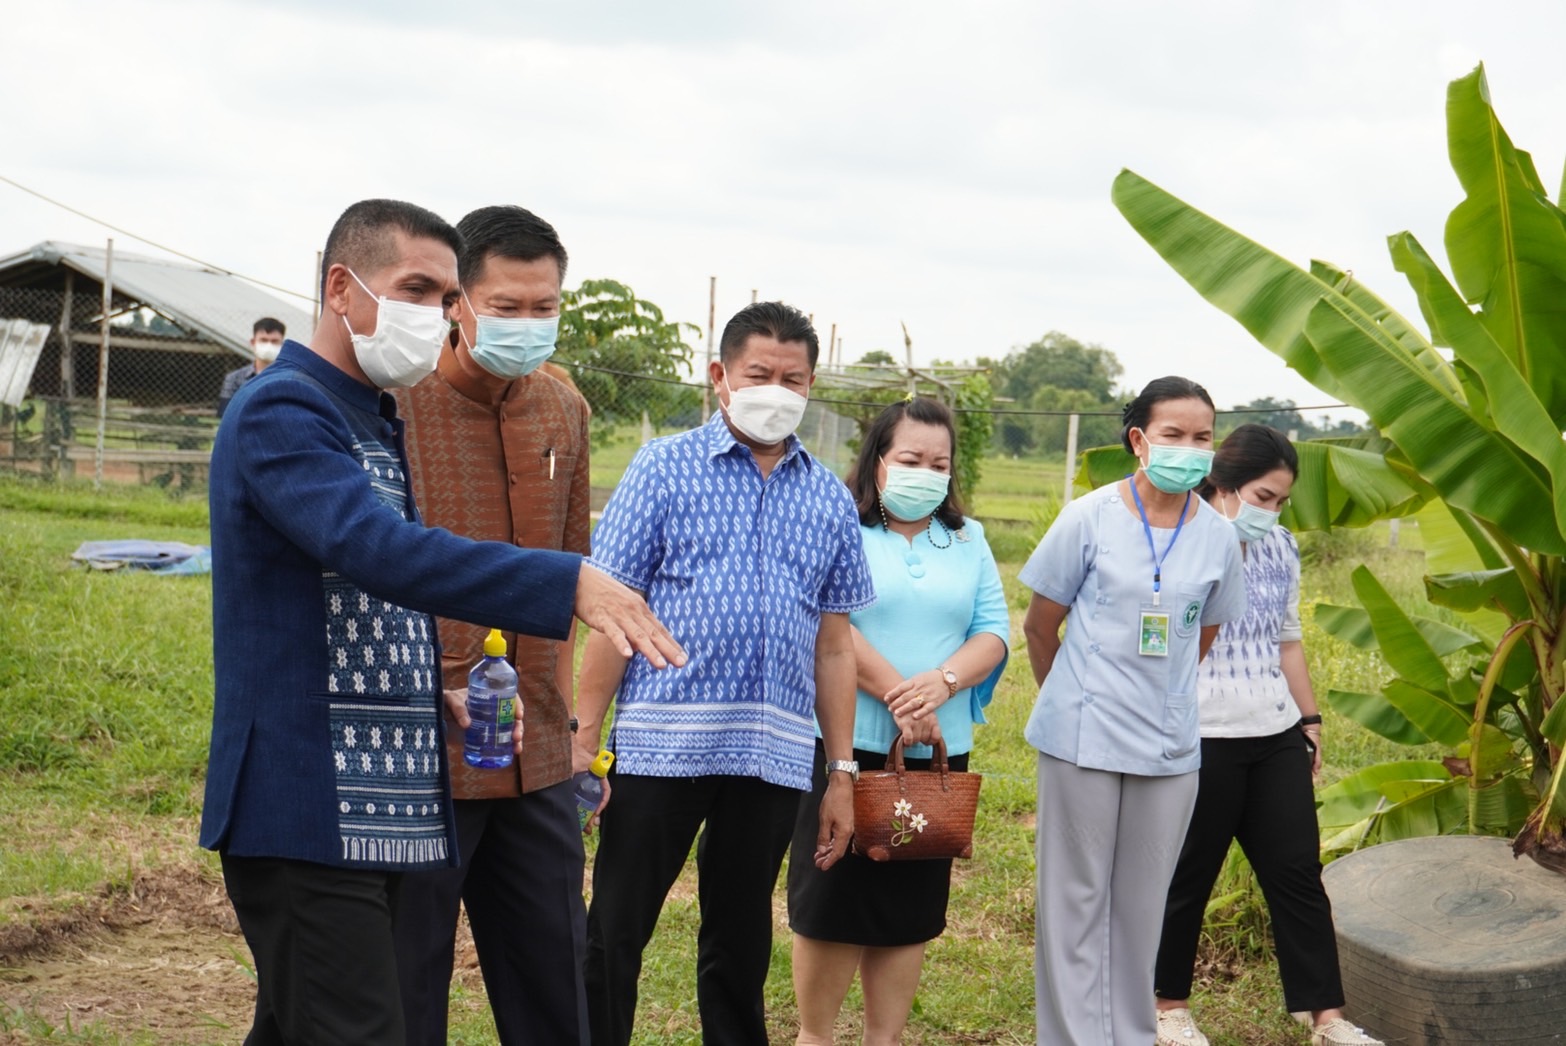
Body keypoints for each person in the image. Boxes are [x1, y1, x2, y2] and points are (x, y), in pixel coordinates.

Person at [199, 198, 683, 1046]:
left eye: (443, 292)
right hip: (310, 801)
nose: (435, 313)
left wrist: (438, 684)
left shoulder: (368, 417)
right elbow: (378, 550)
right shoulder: (286, 411)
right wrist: (566, 580)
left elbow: (367, 602)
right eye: (417, 289)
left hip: (376, 790)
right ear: (342, 288)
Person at [576, 301, 876, 1046]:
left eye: (793, 378)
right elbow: (612, 608)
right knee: (615, 932)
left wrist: (840, 770)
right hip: (658, 746)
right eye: (759, 375)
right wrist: (583, 736)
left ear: (811, 387)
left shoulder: (829, 497)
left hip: (770, 758)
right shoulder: (663, 467)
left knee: (740, 945)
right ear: (720, 377)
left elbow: (835, 646)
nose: (777, 391)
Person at [388, 205, 593, 1044]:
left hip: (537, 751)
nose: (527, 325)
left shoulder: (562, 407)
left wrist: (577, 734)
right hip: (423, 748)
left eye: (543, 307)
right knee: (405, 989)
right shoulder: (395, 405)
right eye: (506, 307)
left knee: (555, 984)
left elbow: (572, 577)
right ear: (458, 303)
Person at [1020, 375, 1246, 1046]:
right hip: (1081, 737)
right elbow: (1040, 626)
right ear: (1140, 441)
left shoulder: (1219, 539)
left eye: (1202, 437)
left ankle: (1130, 1035)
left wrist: (1161, 698)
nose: (1189, 448)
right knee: (1075, 902)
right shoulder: (1089, 517)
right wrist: (1068, 700)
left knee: (1142, 905)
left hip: (1168, 747)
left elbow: (1202, 636)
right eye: (1173, 435)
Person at [787, 396, 1009, 1045]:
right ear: (878, 461)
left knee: (907, 912)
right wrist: (899, 696)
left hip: (937, 757)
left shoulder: (968, 540)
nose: (926, 471)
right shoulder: (841, 528)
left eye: (939, 462)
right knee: (832, 904)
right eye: (911, 458)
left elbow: (993, 630)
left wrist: (941, 685)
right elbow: (829, 625)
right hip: (844, 749)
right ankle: (815, 1037)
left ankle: (883, 1039)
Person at [1153, 424, 1382, 1046]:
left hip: (1274, 731)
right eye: (1262, 496)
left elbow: (1287, 640)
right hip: (1200, 736)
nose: (1271, 511)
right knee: (1188, 875)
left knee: (1298, 874)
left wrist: (1309, 720)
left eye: (1281, 500)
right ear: (1223, 486)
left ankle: (1327, 1019)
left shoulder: (1281, 547)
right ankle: (1167, 1007)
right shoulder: (1178, 544)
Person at [217, 317, 285, 419]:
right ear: (253, 342)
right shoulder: (234, 379)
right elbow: (225, 414)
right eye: (264, 340)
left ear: (282, 344)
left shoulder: (290, 378)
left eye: (274, 341)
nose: (269, 345)